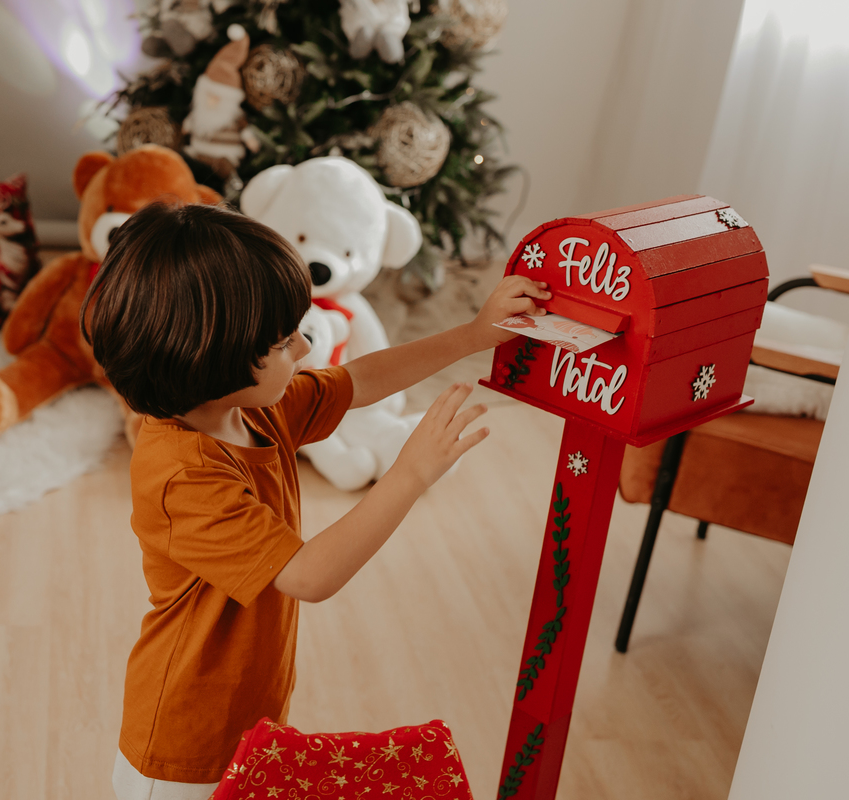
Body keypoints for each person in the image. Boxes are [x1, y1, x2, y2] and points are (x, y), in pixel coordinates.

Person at [82, 202, 550, 800]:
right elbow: (310, 575)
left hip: (246, 717)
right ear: (209, 357)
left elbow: (361, 379)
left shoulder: (253, 409)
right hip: (184, 748)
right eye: (283, 342)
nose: (304, 348)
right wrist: (409, 474)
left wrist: (474, 335)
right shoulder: (182, 475)